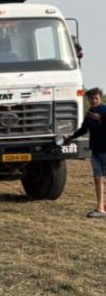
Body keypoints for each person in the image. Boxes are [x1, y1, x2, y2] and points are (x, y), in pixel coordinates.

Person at [66, 87, 106, 218]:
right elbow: (84, 129)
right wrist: (72, 137)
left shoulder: (104, 110)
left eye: (96, 98)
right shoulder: (89, 112)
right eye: (91, 99)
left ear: (100, 98)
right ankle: (100, 208)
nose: (94, 101)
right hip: (95, 150)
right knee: (97, 178)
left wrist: (101, 119)